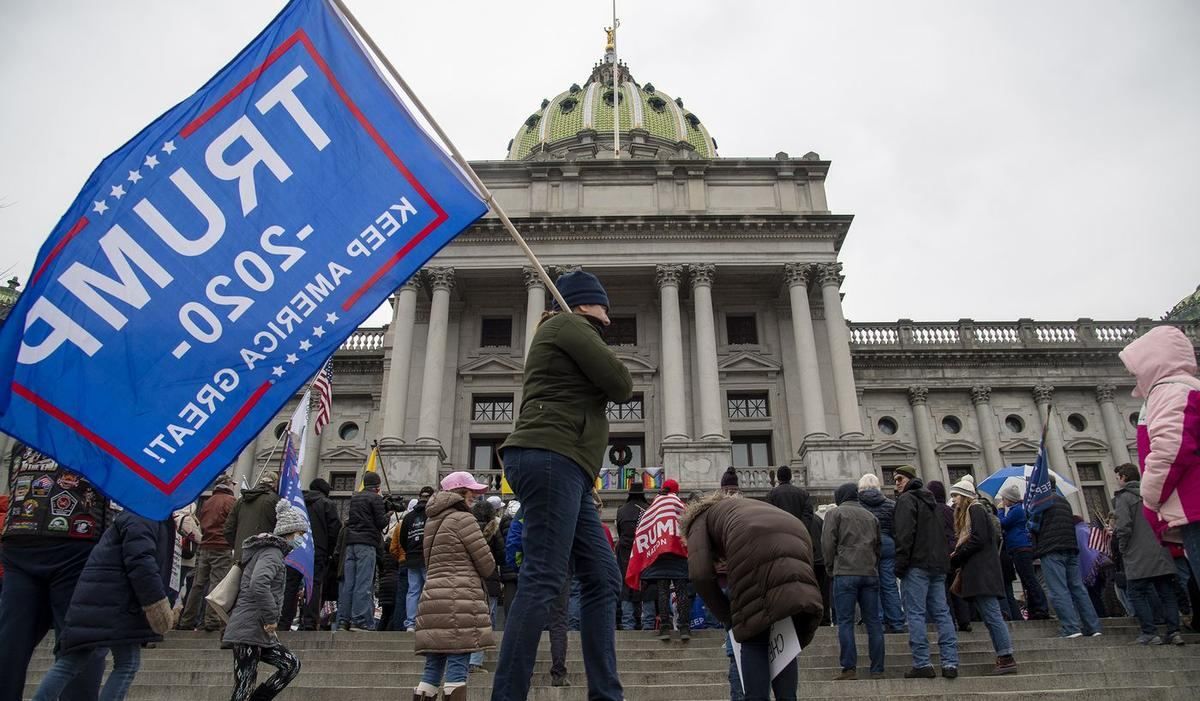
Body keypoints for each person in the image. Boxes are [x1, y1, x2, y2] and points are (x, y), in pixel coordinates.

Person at [490, 270, 633, 701]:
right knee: (543, 577)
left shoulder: (568, 331)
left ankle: (606, 694)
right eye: (603, 305)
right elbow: (622, 384)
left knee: (603, 577)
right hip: (552, 455)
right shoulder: (569, 324)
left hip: (568, 466)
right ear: (584, 303)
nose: (609, 315)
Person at [683, 491, 823, 701]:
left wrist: (729, 617)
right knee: (783, 637)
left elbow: (700, 575)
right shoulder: (744, 508)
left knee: (752, 635)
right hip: (797, 539)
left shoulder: (698, 520)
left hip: (755, 546)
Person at [31, 504, 174, 701]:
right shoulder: (145, 515)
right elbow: (141, 562)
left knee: (72, 661)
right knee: (126, 664)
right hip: (117, 602)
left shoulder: (137, 514)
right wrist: (156, 603)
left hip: (101, 598)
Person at [0, 453, 109, 701]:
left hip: (21, 534)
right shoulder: (98, 439)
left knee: (12, 637)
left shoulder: (26, 439)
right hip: (77, 536)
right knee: (80, 639)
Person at [1119, 326, 1200, 585]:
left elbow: (1170, 448)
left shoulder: (1170, 391)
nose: (1134, 379)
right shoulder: (1183, 388)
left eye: (1135, 370)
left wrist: (1151, 499)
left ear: (1152, 363)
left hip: (1195, 509)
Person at [413, 472, 496, 701]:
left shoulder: (431, 521)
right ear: (460, 492)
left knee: (432, 669)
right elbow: (487, 564)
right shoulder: (464, 519)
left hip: (432, 598)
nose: (474, 497)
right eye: (472, 492)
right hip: (460, 599)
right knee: (458, 664)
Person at [223, 499, 310, 701]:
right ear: (289, 532)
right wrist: (271, 617)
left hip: (257, 630)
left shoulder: (273, 553)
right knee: (244, 686)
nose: (301, 539)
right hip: (249, 627)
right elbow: (259, 584)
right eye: (300, 534)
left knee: (290, 665)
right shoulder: (272, 553)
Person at [892, 464, 960, 679]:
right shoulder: (932, 502)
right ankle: (950, 662)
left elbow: (904, 535)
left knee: (915, 613)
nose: (896, 484)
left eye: (899, 479)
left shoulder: (906, 500)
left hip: (917, 564)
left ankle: (922, 662)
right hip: (937, 565)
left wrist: (900, 565)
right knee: (942, 613)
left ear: (910, 479)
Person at [948, 478, 1017, 675]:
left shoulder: (975, 509)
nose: (954, 500)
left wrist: (958, 555)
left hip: (982, 572)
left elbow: (978, 539)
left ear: (965, 496)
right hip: (980, 572)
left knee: (993, 616)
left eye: (956, 496)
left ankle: (1006, 656)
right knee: (990, 617)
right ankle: (1003, 655)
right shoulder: (975, 511)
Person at [1112, 462, 1186, 645]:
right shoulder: (1152, 494)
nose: (1117, 481)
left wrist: (1122, 547)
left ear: (1124, 477)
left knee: (1136, 592)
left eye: (1118, 477)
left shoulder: (1124, 498)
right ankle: (1174, 631)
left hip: (1138, 553)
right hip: (1161, 549)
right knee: (1166, 592)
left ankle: (1149, 632)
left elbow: (1124, 526)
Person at [822, 483, 884, 680]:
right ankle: (877, 669)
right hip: (869, 572)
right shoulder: (871, 516)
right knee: (873, 622)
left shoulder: (835, 514)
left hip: (845, 571)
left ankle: (849, 668)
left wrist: (830, 567)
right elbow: (878, 546)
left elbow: (827, 543)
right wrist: (873, 564)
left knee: (845, 621)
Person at [1030, 480, 1103, 638]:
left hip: (1051, 549)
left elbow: (1033, 526)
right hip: (1070, 548)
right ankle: (1093, 627)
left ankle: (1071, 628)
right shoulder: (1064, 502)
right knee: (1078, 589)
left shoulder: (1041, 502)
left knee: (1058, 589)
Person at [626, 479, 692, 641]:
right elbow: (689, 528)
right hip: (678, 554)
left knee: (662, 591)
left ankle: (664, 627)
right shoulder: (680, 505)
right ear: (676, 490)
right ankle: (684, 627)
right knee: (681, 590)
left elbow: (643, 529)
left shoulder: (653, 507)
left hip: (659, 555)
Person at [766, 466, 829, 626]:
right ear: (790, 477)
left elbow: (769, 517)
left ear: (778, 478)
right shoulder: (803, 494)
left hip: (780, 542)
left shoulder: (772, 494)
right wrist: (799, 530)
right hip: (800, 541)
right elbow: (808, 515)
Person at [281, 477, 342, 631]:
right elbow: (334, 530)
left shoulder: (297, 502)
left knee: (290, 586)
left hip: (295, 549)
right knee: (313, 585)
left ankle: (283, 621)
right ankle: (309, 622)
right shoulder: (327, 504)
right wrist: (330, 551)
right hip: (317, 551)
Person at [179, 474, 237, 632]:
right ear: (228, 484)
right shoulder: (231, 501)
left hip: (205, 546)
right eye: (232, 484)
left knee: (197, 585)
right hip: (221, 546)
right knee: (217, 584)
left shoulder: (208, 501)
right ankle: (211, 620)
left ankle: (187, 620)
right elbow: (232, 524)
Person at [338, 470, 389, 631]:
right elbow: (381, 523)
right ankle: (360, 620)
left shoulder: (355, 498)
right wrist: (388, 514)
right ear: (377, 486)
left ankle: (343, 620)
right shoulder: (375, 498)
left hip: (351, 544)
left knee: (349, 584)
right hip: (366, 543)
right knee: (363, 583)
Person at [857, 473, 905, 633]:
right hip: (888, 543)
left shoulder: (858, 505)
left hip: (867, 545)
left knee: (872, 584)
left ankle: (878, 620)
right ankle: (897, 622)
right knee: (890, 584)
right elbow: (896, 528)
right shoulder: (891, 504)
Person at [997, 481, 1049, 620]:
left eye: (1004, 498)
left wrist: (1000, 511)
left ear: (1009, 499)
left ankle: (1041, 607)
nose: (1003, 501)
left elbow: (1003, 523)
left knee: (1029, 579)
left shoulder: (1017, 510)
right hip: (1017, 547)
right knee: (1026, 580)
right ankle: (1034, 609)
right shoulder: (1016, 510)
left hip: (1020, 547)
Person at [468, 498, 504, 672]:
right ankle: (475, 660)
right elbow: (502, 556)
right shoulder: (494, 531)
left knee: (469, 619)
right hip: (490, 579)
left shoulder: (467, 530)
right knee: (486, 620)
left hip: (469, 580)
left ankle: (466, 658)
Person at [399, 485, 435, 631]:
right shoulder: (432, 515)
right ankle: (428, 621)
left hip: (412, 558)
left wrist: (410, 551)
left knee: (413, 591)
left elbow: (403, 539)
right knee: (430, 590)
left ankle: (411, 623)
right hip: (427, 557)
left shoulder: (408, 517)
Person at [224, 471, 281, 562]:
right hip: (262, 556)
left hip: (241, 555)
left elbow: (228, 529)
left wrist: (238, 545)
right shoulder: (276, 500)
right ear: (275, 484)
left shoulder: (241, 500)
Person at [616, 481, 650, 630]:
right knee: (647, 585)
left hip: (625, 553)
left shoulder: (621, 510)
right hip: (643, 552)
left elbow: (620, 532)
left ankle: (627, 622)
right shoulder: (648, 509)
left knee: (626, 585)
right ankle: (647, 622)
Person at [172, 503, 201, 608]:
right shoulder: (187, 519)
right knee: (180, 584)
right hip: (186, 556)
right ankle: (175, 607)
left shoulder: (174, 517)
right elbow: (198, 538)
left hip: (176, 555)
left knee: (173, 583)